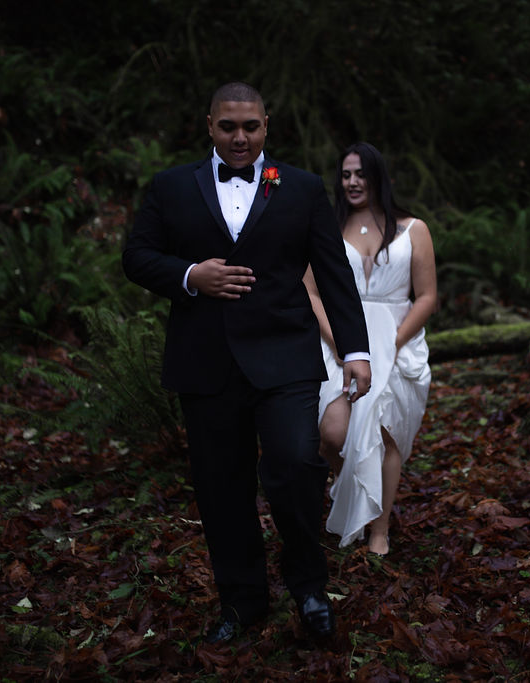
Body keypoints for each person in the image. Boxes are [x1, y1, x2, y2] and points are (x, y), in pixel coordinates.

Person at [122, 82, 372, 645]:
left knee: (294, 466)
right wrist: (190, 276)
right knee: (221, 487)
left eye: (251, 127)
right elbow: (136, 257)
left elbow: (333, 273)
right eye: (229, 127)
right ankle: (243, 603)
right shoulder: (169, 187)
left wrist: (356, 350)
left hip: (285, 355)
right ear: (209, 124)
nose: (240, 137)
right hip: (204, 361)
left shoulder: (302, 188)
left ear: (267, 125)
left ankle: (309, 588)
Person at [303, 142, 436, 556]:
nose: (353, 182)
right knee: (332, 434)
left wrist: (392, 343)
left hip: (396, 337)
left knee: (385, 435)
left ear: (379, 176)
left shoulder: (413, 229)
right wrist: (339, 342)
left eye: (360, 173)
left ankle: (379, 531)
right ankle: (355, 488)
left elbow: (427, 296)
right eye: (345, 175)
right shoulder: (326, 227)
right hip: (338, 337)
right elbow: (309, 291)